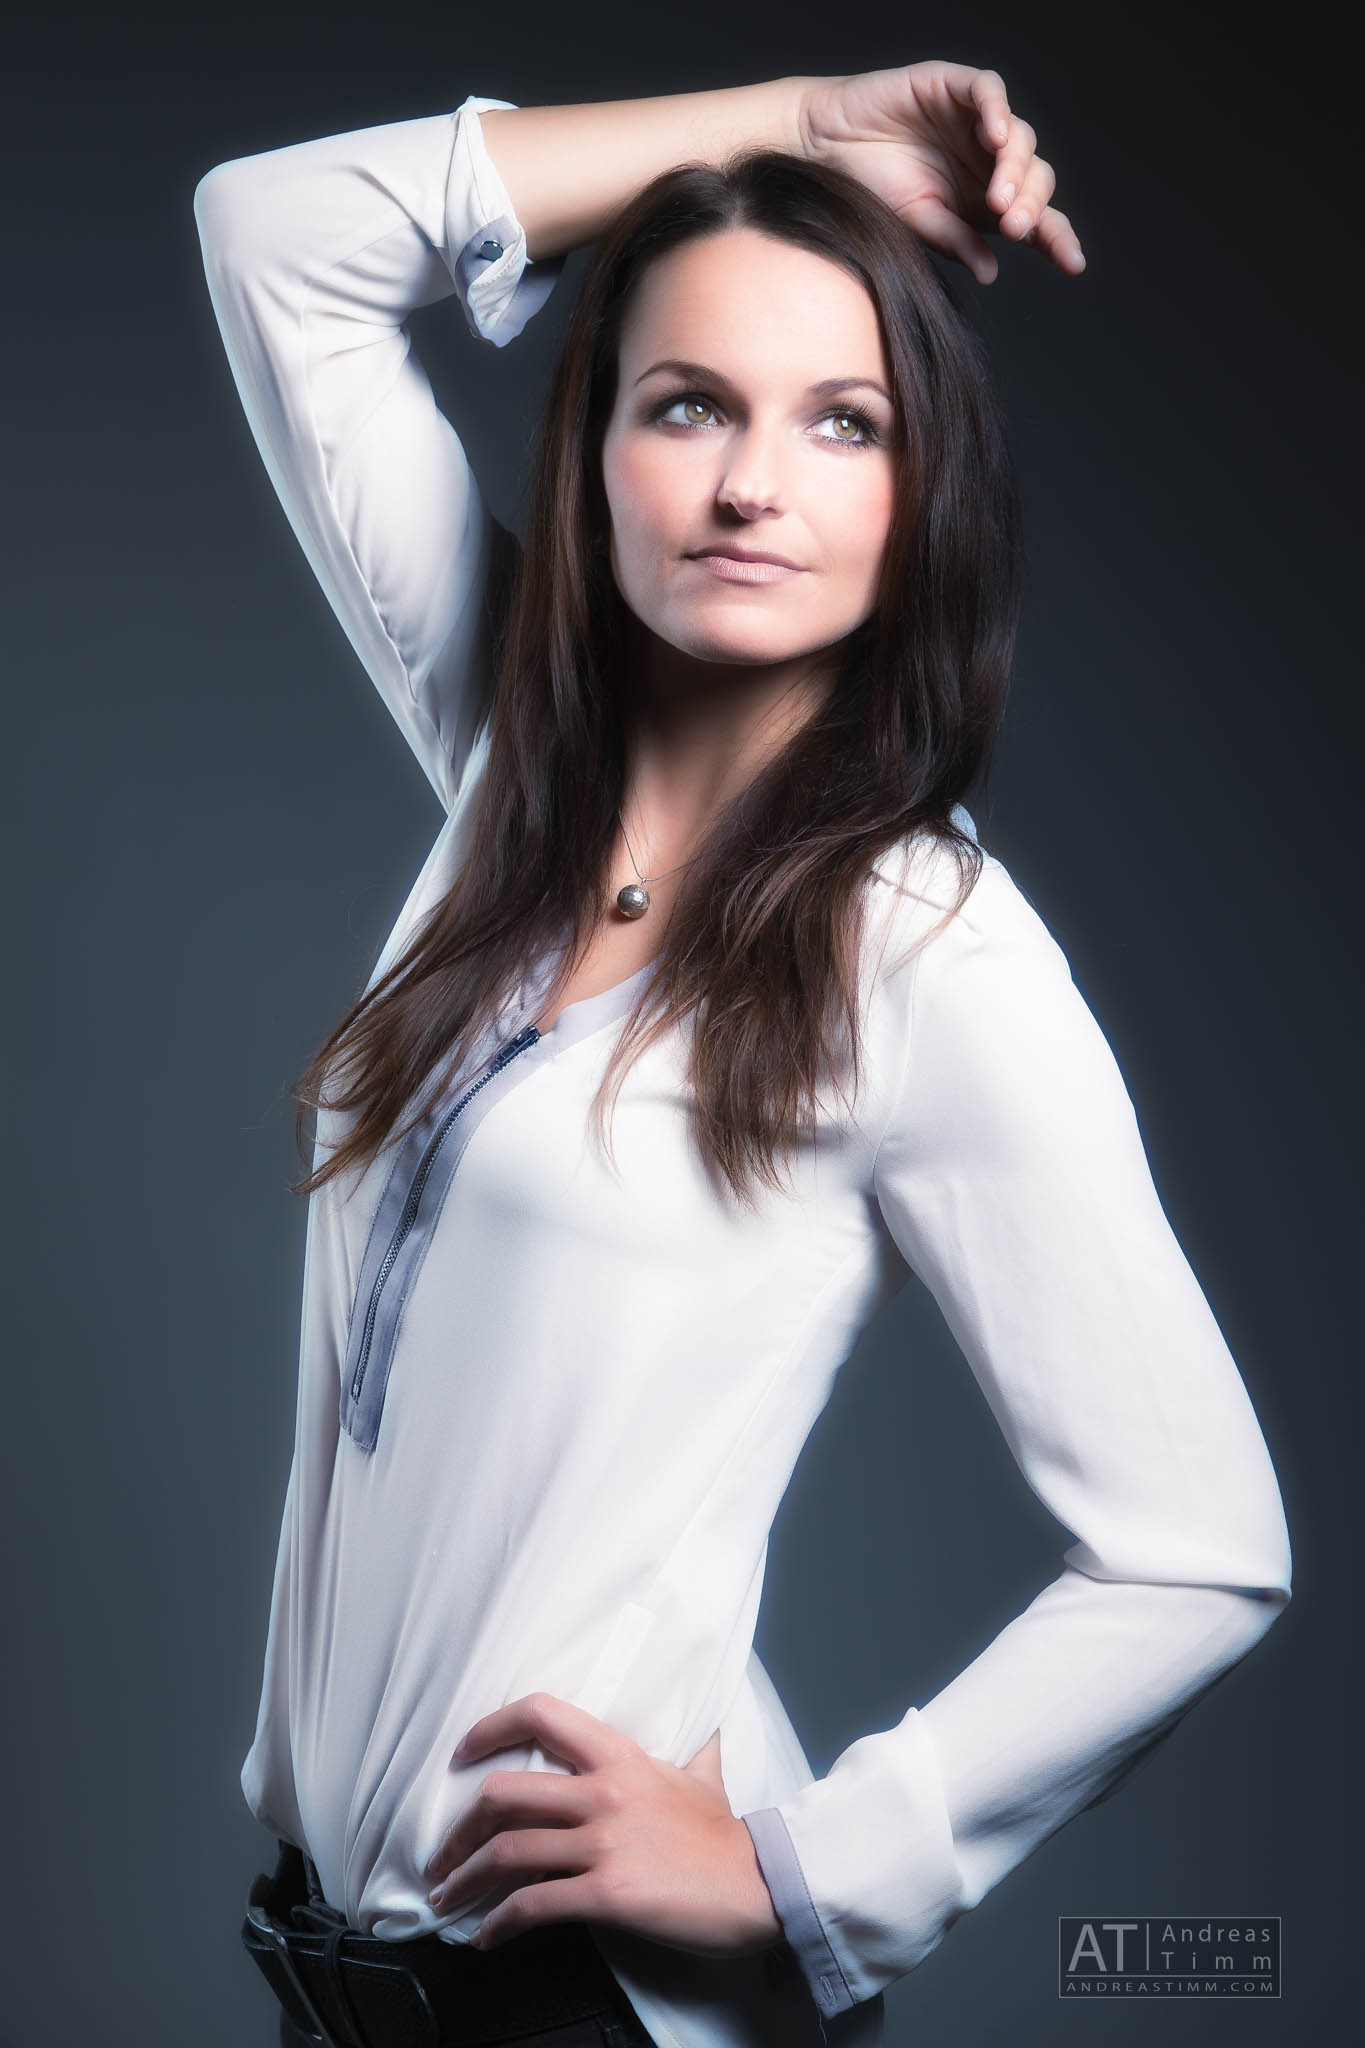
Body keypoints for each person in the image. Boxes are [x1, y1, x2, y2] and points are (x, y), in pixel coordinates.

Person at [193, 62, 1292, 2048]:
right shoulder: (502, 800)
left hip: (591, 2016)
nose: (747, 485)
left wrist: (807, 1872)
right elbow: (277, 236)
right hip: (329, 1990)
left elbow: (1200, 1548)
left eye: (839, 421)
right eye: (685, 401)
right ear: (596, 447)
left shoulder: (921, 948)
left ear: (915, 493)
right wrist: (793, 131)